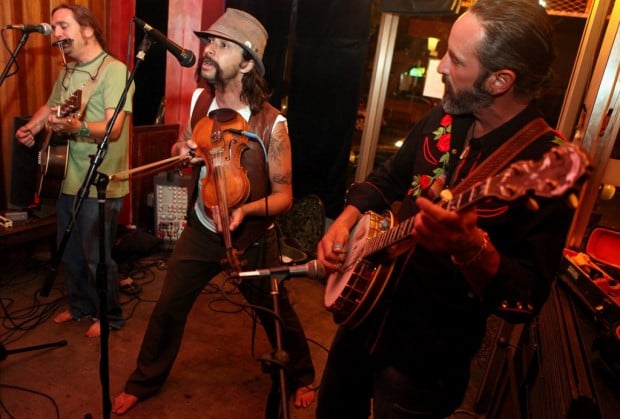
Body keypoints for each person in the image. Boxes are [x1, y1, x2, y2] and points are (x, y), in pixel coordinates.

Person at [316, 1, 578, 417]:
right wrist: (345, 223)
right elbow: (389, 178)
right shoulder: (445, 116)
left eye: (455, 60)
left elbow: (524, 298)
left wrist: (469, 246)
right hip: (362, 325)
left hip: (423, 366)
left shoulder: (546, 165)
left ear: (499, 80)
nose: (439, 67)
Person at [112, 8, 315, 417]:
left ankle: (302, 374)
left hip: (253, 234)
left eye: (221, 45)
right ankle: (144, 380)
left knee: (274, 313)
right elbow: (188, 146)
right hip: (203, 227)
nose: (207, 50)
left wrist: (245, 212)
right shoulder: (199, 100)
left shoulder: (271, 124)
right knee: (169, 303)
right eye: (209, 41)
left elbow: (285, 197)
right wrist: (182, 153)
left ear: (245, 62)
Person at [15, 4, 134, 338]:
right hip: (65, 177)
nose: (57, 35)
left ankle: (110, 316)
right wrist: (35, 128)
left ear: (87, 29)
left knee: (97, 257)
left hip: (99, 182)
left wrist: (77, 128)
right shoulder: (68, 71)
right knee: (69, 252)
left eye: (63, 26)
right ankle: (81, 305)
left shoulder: (114, 71)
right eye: (54, 28)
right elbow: (51, 106)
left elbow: (113, 129)